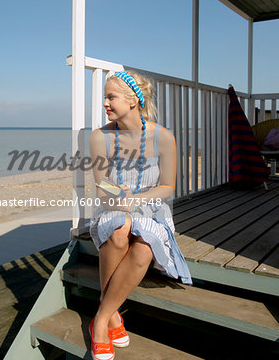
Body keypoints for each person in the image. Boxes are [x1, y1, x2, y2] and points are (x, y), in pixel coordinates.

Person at [89, 70, 192, 360]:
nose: (105, 104)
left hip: (151, 209)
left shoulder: (163, 137)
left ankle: (102, 316)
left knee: (145, 249)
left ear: (133, 100)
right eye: (105, 98)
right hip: (113, 206)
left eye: (111, 97)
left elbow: (167, 187)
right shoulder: (100, 137)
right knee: (120, 229)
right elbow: (101, 184)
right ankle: (110, 320)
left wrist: (135, 199)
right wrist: (117, 192)